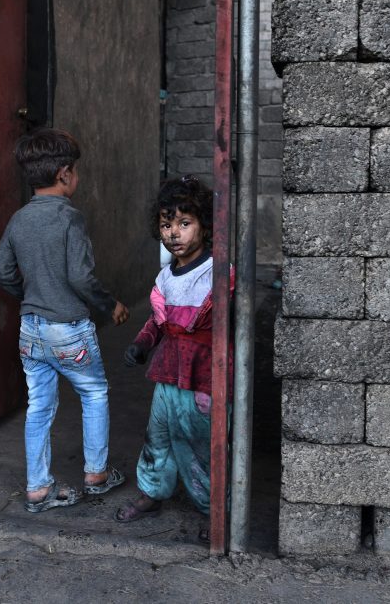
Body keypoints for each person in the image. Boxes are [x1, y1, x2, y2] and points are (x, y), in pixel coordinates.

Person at [0, 128, 129, 513]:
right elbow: (81, 277)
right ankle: (97, 474)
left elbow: (2, 273)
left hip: (31, 330)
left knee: (39, 406)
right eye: (77, 173)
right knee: (94, 393)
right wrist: (111, 305)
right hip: (68, 330)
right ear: (65, 173)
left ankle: (38, 488)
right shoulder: (70, 218)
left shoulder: (19, 220)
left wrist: (33, 298)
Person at [116, 175, 223, 538]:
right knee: (157, 436)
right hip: (167, 374)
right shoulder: (166, 277)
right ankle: (152, 492)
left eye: (184, 223)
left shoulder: (217, 275)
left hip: (203, 377)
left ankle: (214, 509)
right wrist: (142, 344)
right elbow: (157, 322)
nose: (174, 233)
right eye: (166, 224)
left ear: (204, 226)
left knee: (197, 443)